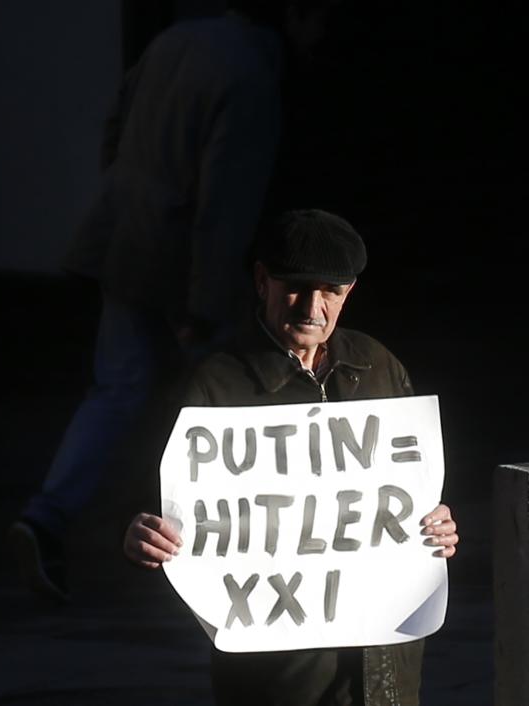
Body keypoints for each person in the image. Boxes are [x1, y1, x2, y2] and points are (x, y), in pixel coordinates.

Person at [8, 0, 337, 603]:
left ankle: (48, 517)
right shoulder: (253, 77)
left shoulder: (175, 41)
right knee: (230, 405)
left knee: (119, 390)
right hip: (179, 262)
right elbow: (225, 205)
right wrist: (205, 305)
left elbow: (114, 129)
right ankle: (238, 548)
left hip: (125, 239)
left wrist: (125, 204)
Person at [123, 208, 460, 706]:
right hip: (277, 677)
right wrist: (140, 536)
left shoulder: (378, 365)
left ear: (349, 293)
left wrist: (437, 523)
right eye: (296, 287)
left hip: (386, 668)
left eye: (331, 291)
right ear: (262, 281)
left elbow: (410, 490)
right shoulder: (212, 386)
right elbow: (153, 510)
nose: (312, 307)